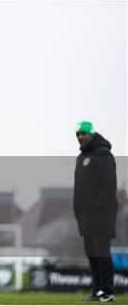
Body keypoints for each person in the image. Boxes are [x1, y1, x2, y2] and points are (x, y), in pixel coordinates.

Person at [73, 121, 118, 302]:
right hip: (85, 217)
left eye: (84, 133)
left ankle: (107, 291)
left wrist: (94, 210)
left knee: (101, 251)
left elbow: (109, 187)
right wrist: (78, 212)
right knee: (91, 252)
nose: (81, 137)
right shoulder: (81, 157)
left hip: (102, 214)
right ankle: (98, 290)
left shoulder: (104, 155)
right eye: (78, 134)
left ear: (92, 133)